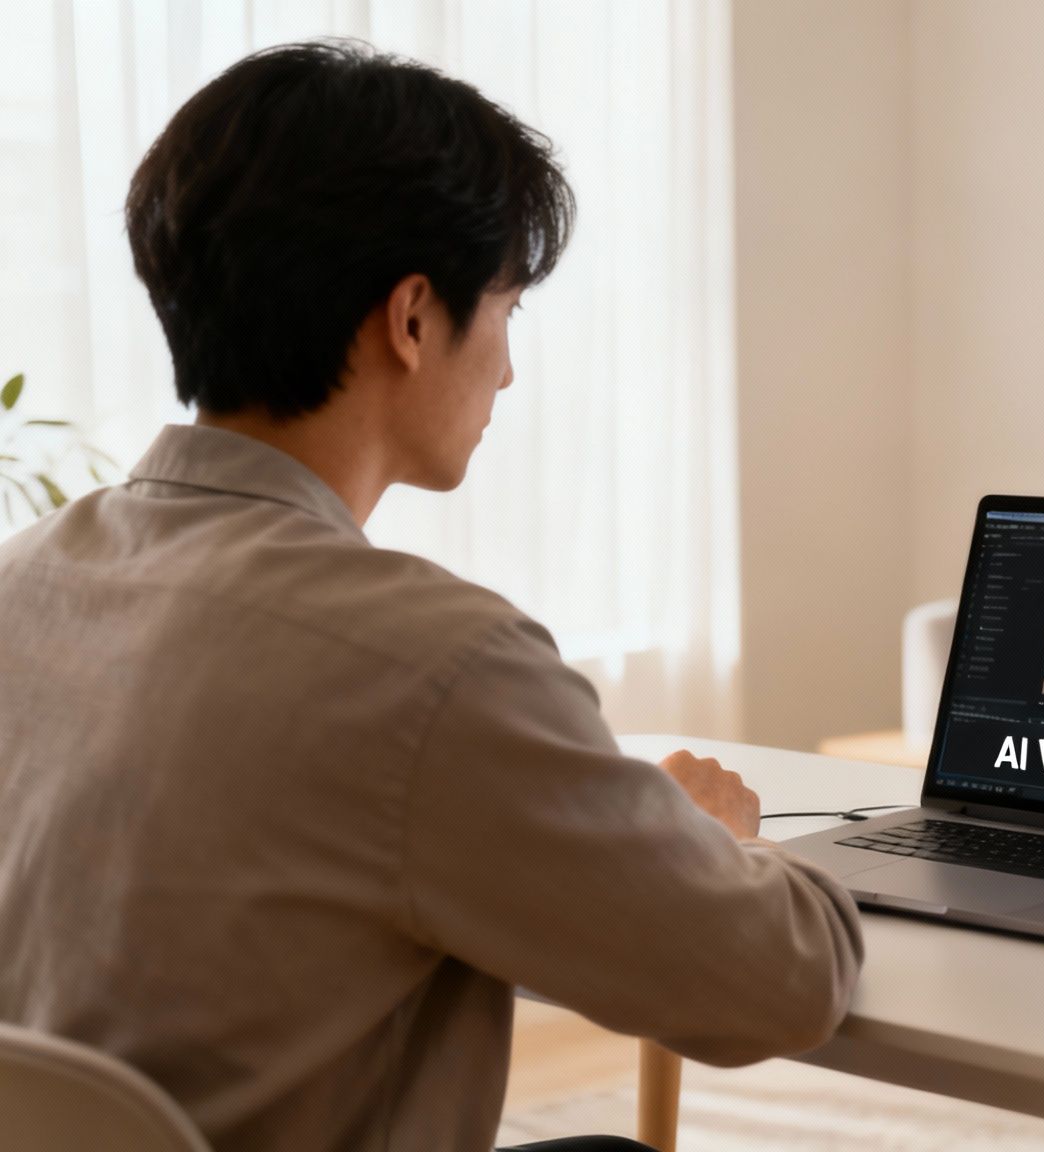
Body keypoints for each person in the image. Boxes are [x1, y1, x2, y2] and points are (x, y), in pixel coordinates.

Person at [0, 42, 861, 1152]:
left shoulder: (25, 581)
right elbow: (778, 985)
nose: (505, 369)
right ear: (411, 319)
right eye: (504, 307)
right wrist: (723, 846)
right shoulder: (435, 664)